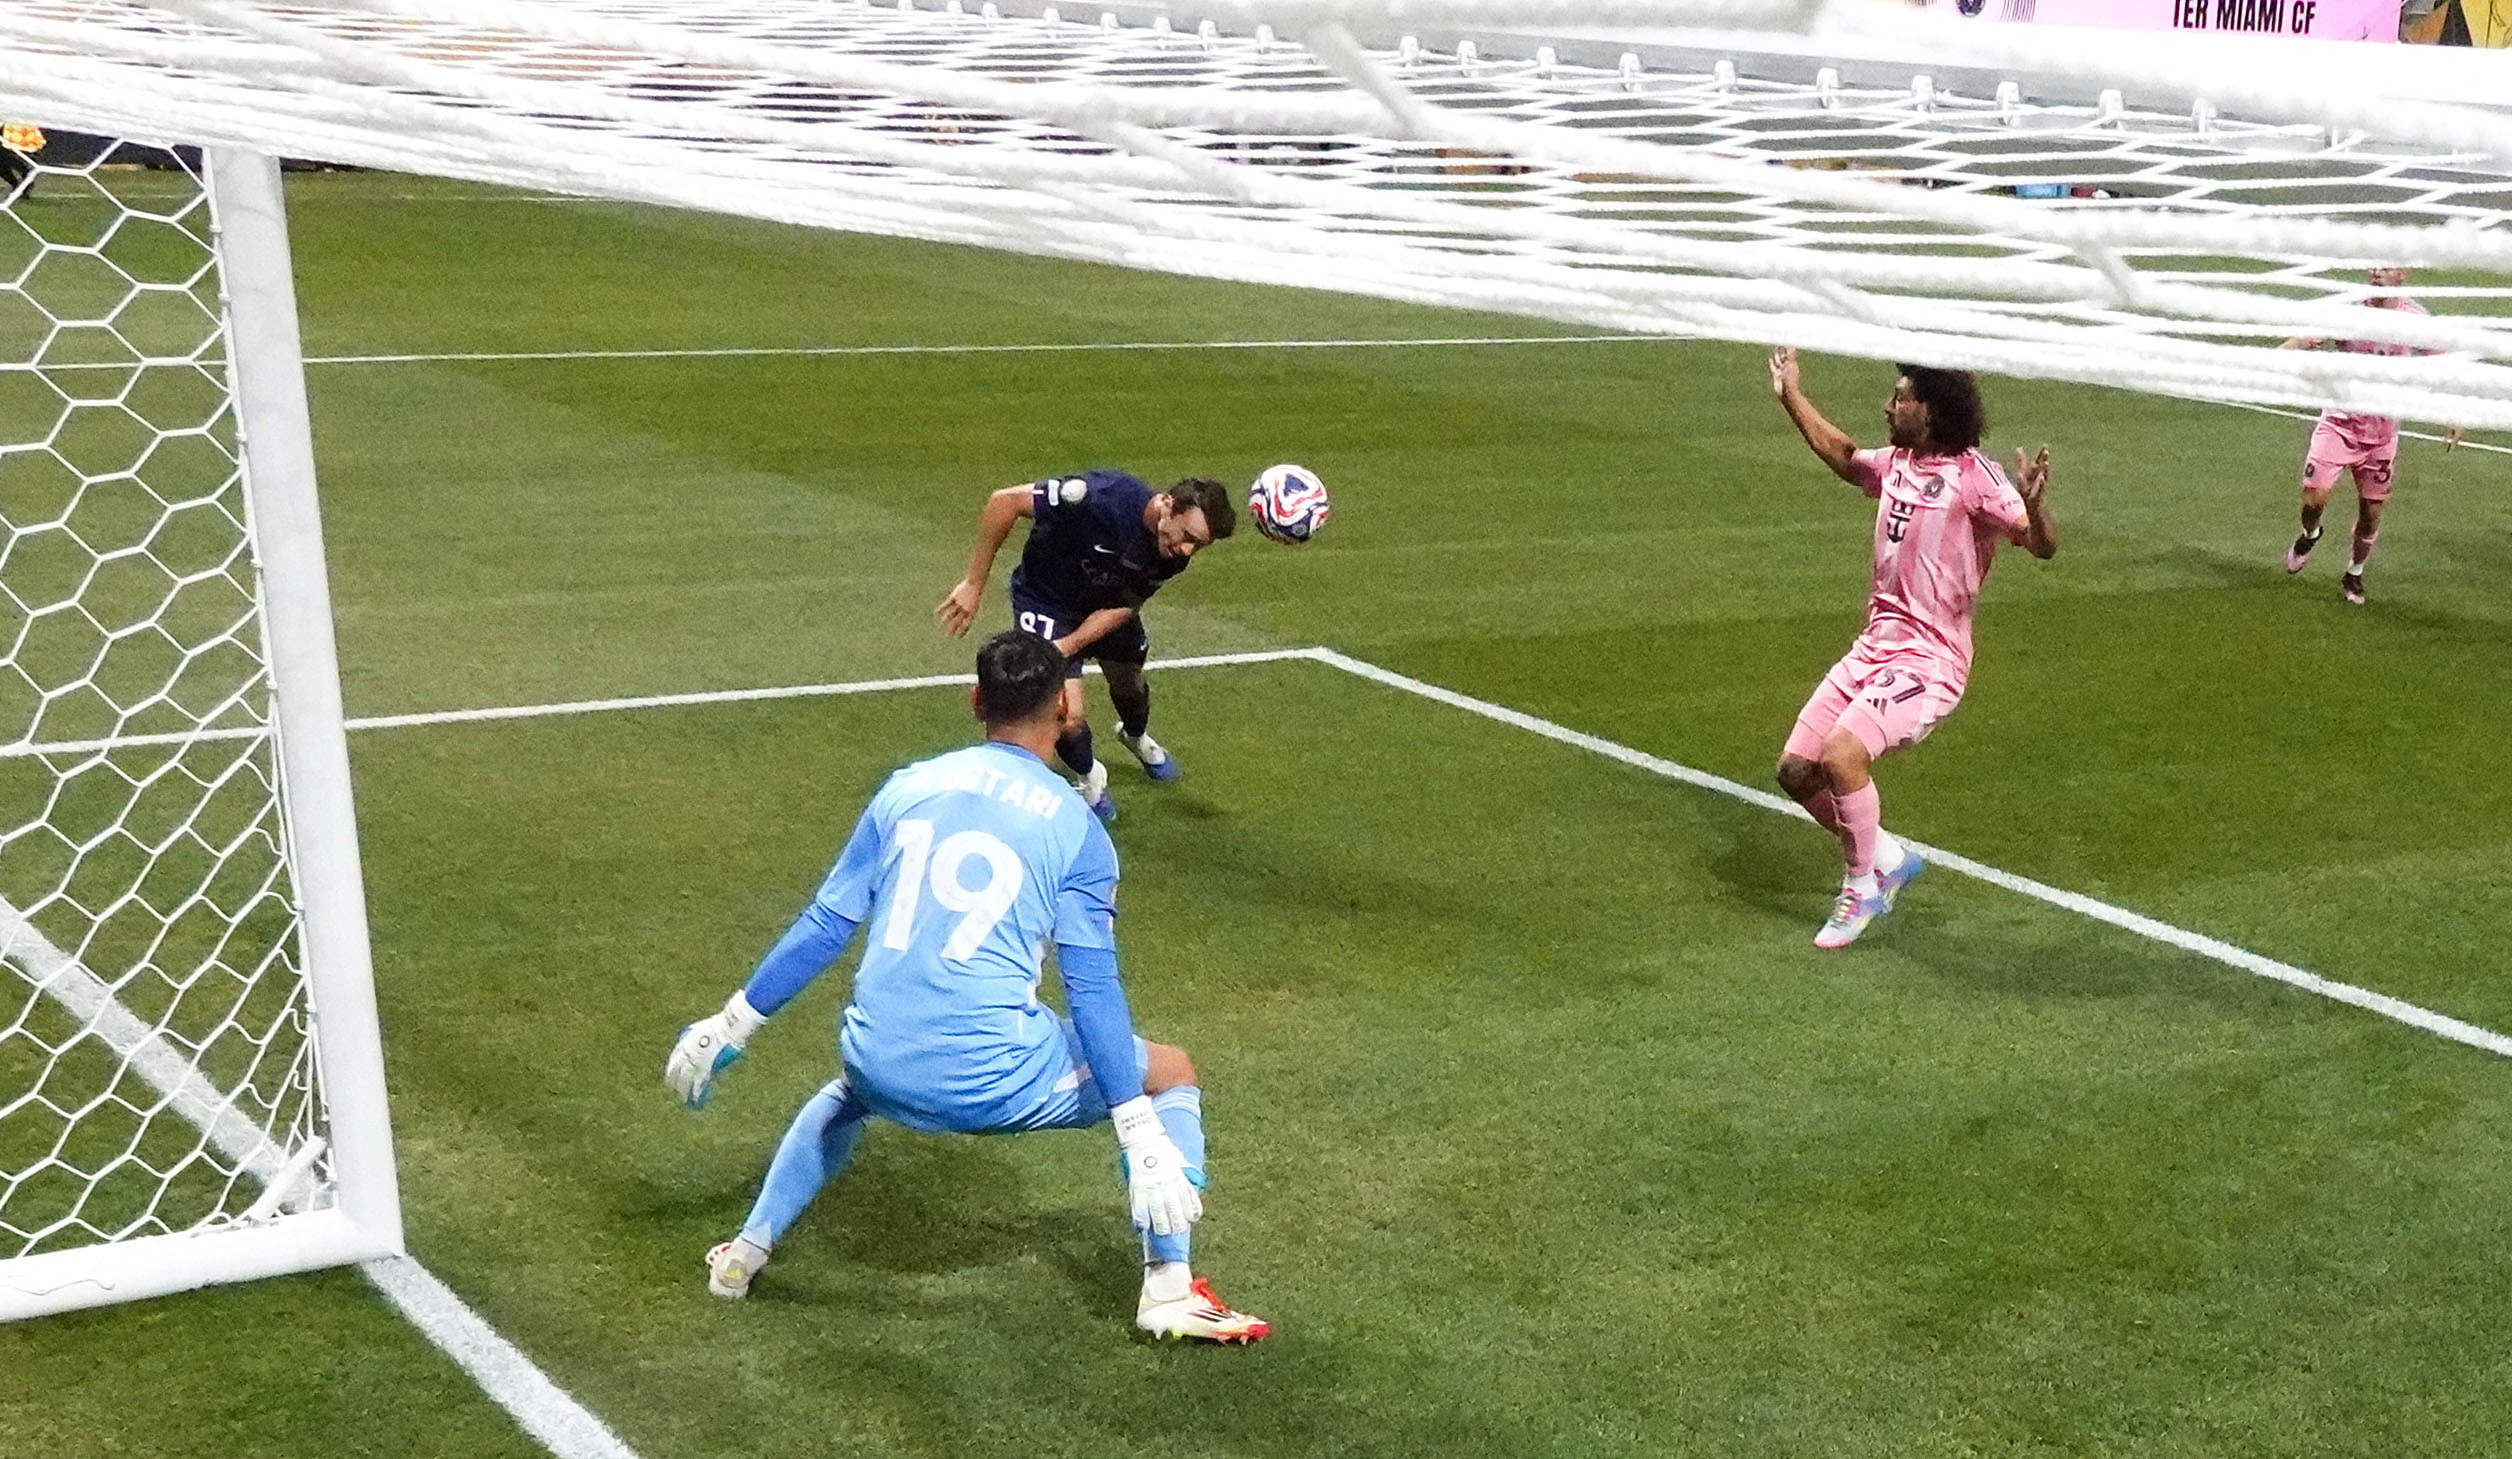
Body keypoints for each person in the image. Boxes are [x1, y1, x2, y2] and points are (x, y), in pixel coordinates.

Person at [663, 630, 1268, 1343]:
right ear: (1065, 714)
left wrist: (731, 1022)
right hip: (992, 1080)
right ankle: (1168, 1287)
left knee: (847, 1092)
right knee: (1171, 1072)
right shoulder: (1078, 830)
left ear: (977, 699)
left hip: (877, 1060)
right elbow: (1091, 989)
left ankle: (743, 1255)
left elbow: (828, 921)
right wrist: (1137, 1130)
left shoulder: (907, 789)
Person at [1766, 348, 2058, 948]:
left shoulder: (1977, 480)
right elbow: (1845, 458)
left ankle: (1861, 886)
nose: (1887, 405)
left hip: (1930, 661)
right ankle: (1888, 858)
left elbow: (2041, 547)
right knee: (1797, 771)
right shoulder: (1897, 461)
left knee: (1843, 756)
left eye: (1900, 397)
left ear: (1931, 412)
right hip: (1874, 647)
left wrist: (2033, 503)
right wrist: (1790, 393)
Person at [935, 471, 1236, 822]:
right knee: (1066, 714)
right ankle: (1089, 777)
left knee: (1130, 683)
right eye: (1188, 537)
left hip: (1104, 606)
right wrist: (974, 584)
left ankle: (1135, 737)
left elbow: (1124, 606)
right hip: (1046, 601)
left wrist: (1069, 645)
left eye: (1198, 545)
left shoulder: (1171, 550)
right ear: (1167, 503)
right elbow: (1005, 501)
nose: (1187, 550)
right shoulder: (1096, 498)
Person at [2279, 267, 2462, 606]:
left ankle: (2355, 573)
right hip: (2339, 423)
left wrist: (2455, 411)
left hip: (2381, 435)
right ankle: (2310, 535)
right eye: (2373, 265)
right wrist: (2271, 358)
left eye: (2386, 265)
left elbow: (2445, 365)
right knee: (2312, 498)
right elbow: (2307, 338)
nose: (2377, 271)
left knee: (2371, 514)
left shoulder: (2415, 320)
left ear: (2403, 274)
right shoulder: (2349, 310)